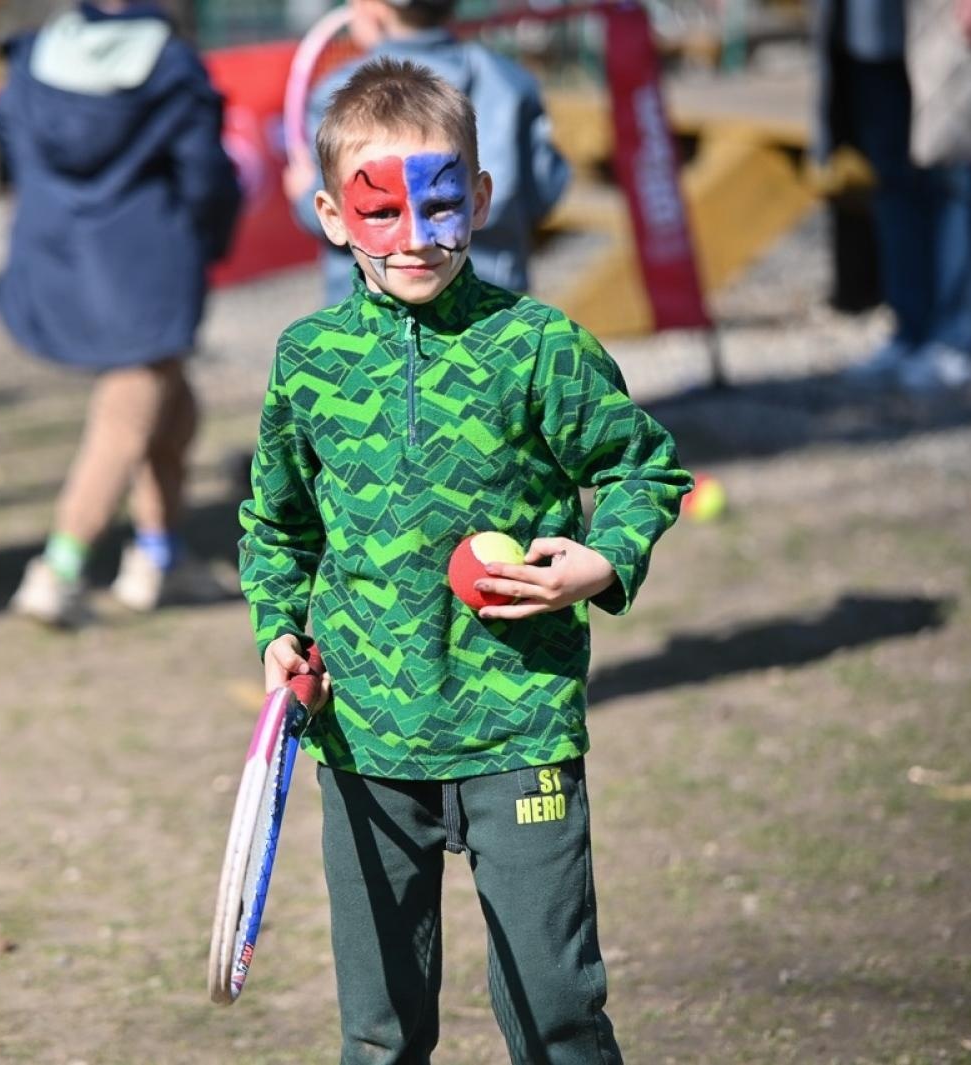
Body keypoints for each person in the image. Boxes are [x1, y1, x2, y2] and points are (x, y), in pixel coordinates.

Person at [239, 60, 690, 1064]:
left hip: (516, 721)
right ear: (327, 214)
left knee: (555, 1013)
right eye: (379, 211)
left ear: (479, 199)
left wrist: (598, 561)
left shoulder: (535, 347)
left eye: (439, 206)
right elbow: (276, 527)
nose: (413, 237)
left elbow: (642, 469)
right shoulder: (307, 359)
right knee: (379, 1030)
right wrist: (277, 629)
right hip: (362, 737)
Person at [0, 1, 242, 625]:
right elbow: (205, 174)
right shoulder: (172, 66)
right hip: (147, 260)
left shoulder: (33, 59)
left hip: (58, 255)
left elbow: (9, 156)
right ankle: (58, 569)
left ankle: (159, 556)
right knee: (129, 408)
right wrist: (210, 237)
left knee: (175, 406)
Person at [284, 0, 569, 306]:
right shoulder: (511, 81)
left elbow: (332, 217)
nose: (418, 241)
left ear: (374, 7)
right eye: (384, 213)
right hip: (494, 302)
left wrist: (302, 196)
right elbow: (544, 191)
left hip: (368, 319)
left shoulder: (339, 93)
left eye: (441, 206)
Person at [815, 0, 971, 391]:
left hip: (941, 19)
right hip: (866, 26)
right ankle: (910, 330)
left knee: (953, 176)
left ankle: (955, 338)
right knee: (892, 181)